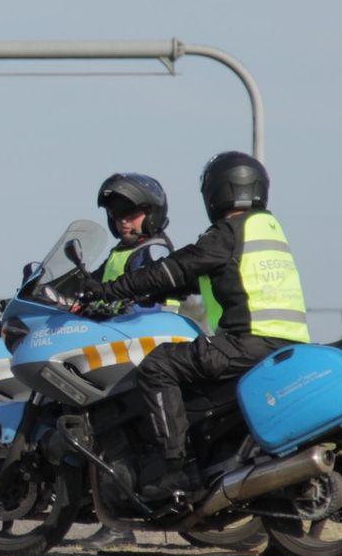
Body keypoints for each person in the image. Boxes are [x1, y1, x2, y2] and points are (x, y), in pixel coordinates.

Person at [77, 151, 310, 502]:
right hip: (289, 346)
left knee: (157, 366)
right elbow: (190, 281)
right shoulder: (267, 229)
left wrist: (110, 290)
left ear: (215, 193)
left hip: (246, 344)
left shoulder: (227, 232)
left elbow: (173, 269)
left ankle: (175, 470)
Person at [81, 173, 176, 548]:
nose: (123, 219)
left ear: (151, 214)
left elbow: (148, 299)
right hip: (116, 351)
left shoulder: (154, 252)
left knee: (108, 428)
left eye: (132, 212)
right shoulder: (119, 254)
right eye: (117, 212)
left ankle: (118, 523)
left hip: (142, 355)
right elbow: (97, 294)